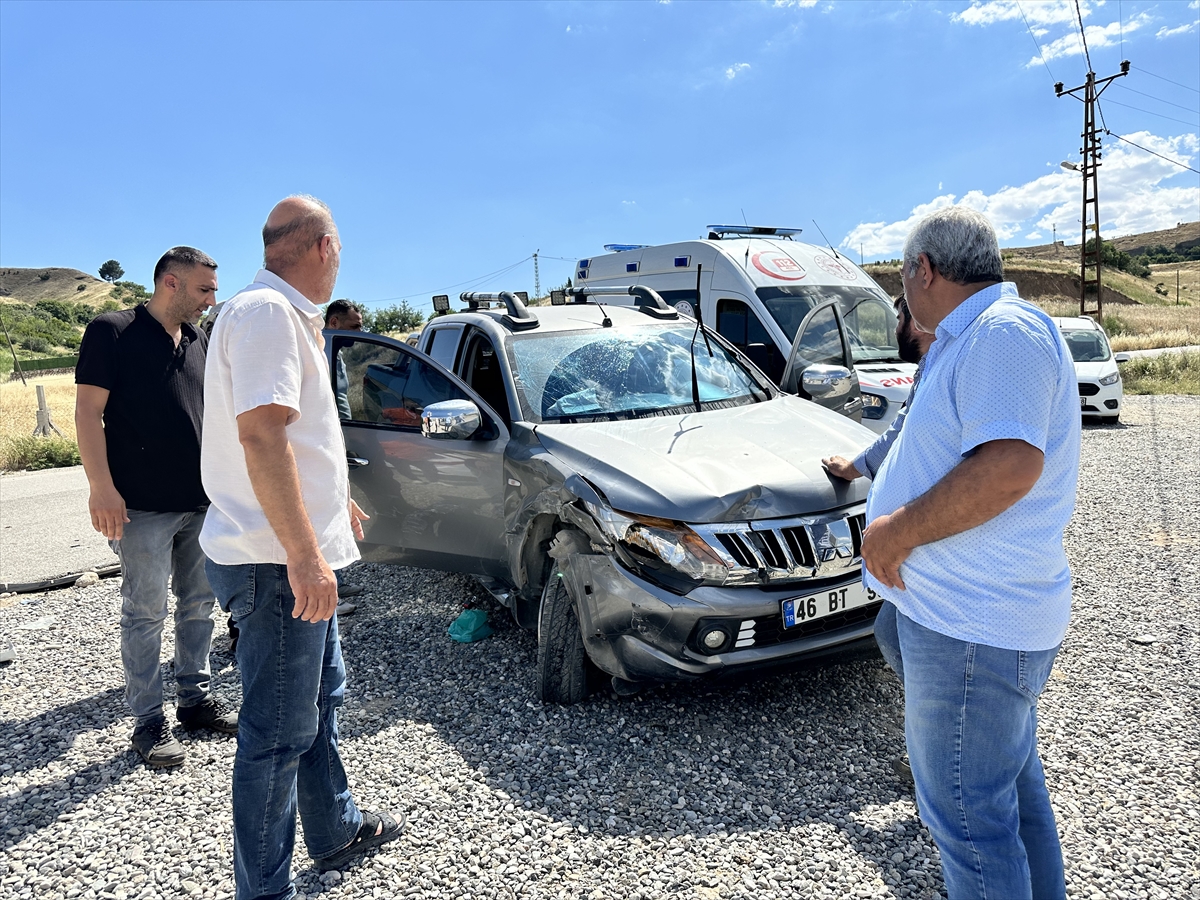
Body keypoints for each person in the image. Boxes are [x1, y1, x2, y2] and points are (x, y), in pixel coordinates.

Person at [861, 206, 1080, 900]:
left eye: (903, 278)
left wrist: (896, 533)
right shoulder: (970, 337)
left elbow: (1008, 467)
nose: (904, 292)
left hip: (971, 630)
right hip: (967, 623)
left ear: (924, 270)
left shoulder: (1001, 332)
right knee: (1009, 799)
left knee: (968, 824)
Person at [201, 195, 401, 899]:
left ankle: (335, 828)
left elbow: (290, 439)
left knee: (319, 699)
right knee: (279, 732)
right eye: (339, 246)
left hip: (285, 551)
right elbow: (261, 435)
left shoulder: (281, 315)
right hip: (276, 561)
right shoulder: (267, 314)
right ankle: (263, 890)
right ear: (323, 246)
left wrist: (331, 502)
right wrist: (306, 555)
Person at [75, 246, 238, 768]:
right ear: (171, 282)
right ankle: (148, 721)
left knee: (199, 605)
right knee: (144, 613)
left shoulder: (197, 339)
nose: (210, 301)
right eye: (204, 290)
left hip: (201, 502)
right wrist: (101, 488)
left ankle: (194, 702)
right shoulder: (112, 331)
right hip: (140, 506)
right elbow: (87, 413)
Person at [821, 293, 934, 481]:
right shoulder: (932, 367)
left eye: (899, 320)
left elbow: (899, 433)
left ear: (916, 324)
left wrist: (851, 470)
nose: (895, 331)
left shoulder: (936, 372)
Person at [322, 298, 367, 613]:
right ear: (334, 322)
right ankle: (327, 594)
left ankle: (334, 579)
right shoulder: (319, 350)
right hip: (326, 445)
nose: (359, 333)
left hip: (340, 439)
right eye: (355, 326)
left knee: (336, 511)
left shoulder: (335, 353)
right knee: (325, 514)